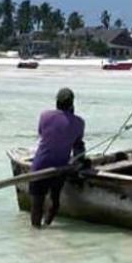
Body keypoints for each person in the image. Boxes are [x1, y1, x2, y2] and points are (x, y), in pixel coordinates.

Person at [29, 86, 87, 228]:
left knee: (37, 205)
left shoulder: (45, 116)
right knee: (54, 201)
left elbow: (43, 134)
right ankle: (47, 225)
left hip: (39, 166)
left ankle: (35, 236)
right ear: (72, 104)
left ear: (57, 102)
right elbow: (77, 147)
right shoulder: (79, 123)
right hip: (60, 167)